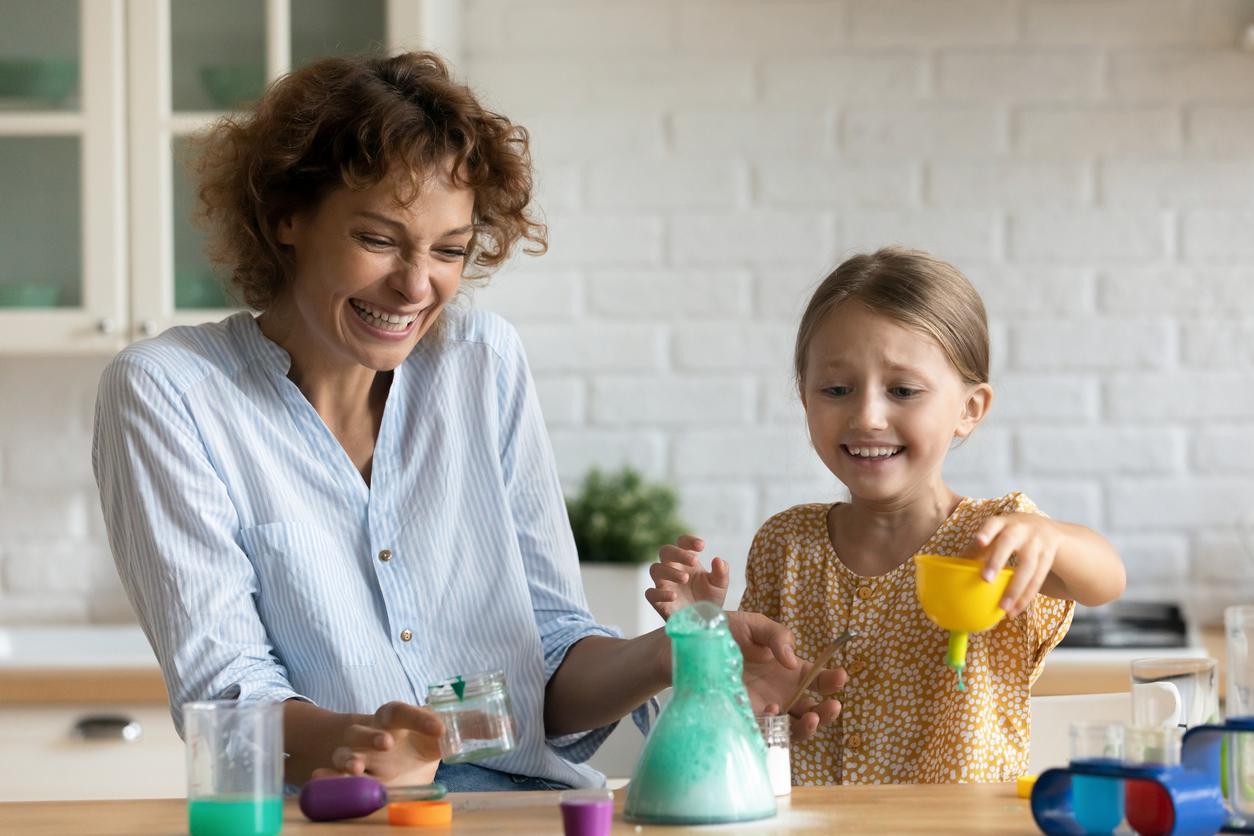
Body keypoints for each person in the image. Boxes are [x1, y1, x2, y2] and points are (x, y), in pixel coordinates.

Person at [92, 52, 846, 792]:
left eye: (449, 250)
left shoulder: (482, 362)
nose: (416, 285)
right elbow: (227, 699)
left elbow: (546, 657)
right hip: (337, 817)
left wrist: (676, 659)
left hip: (527, 813)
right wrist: (363, 741)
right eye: (378, 239)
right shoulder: (172, 394)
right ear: (285, 215)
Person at [646, 246, 1126, 784]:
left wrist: (1051, 536)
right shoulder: (787, 543)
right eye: (835, 389)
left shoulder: (1000, 538)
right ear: (805, 400)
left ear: (970, 409)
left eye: (902, 390)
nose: (867, 415)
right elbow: (750, 718)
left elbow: (1105, 580)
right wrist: (702, 644)